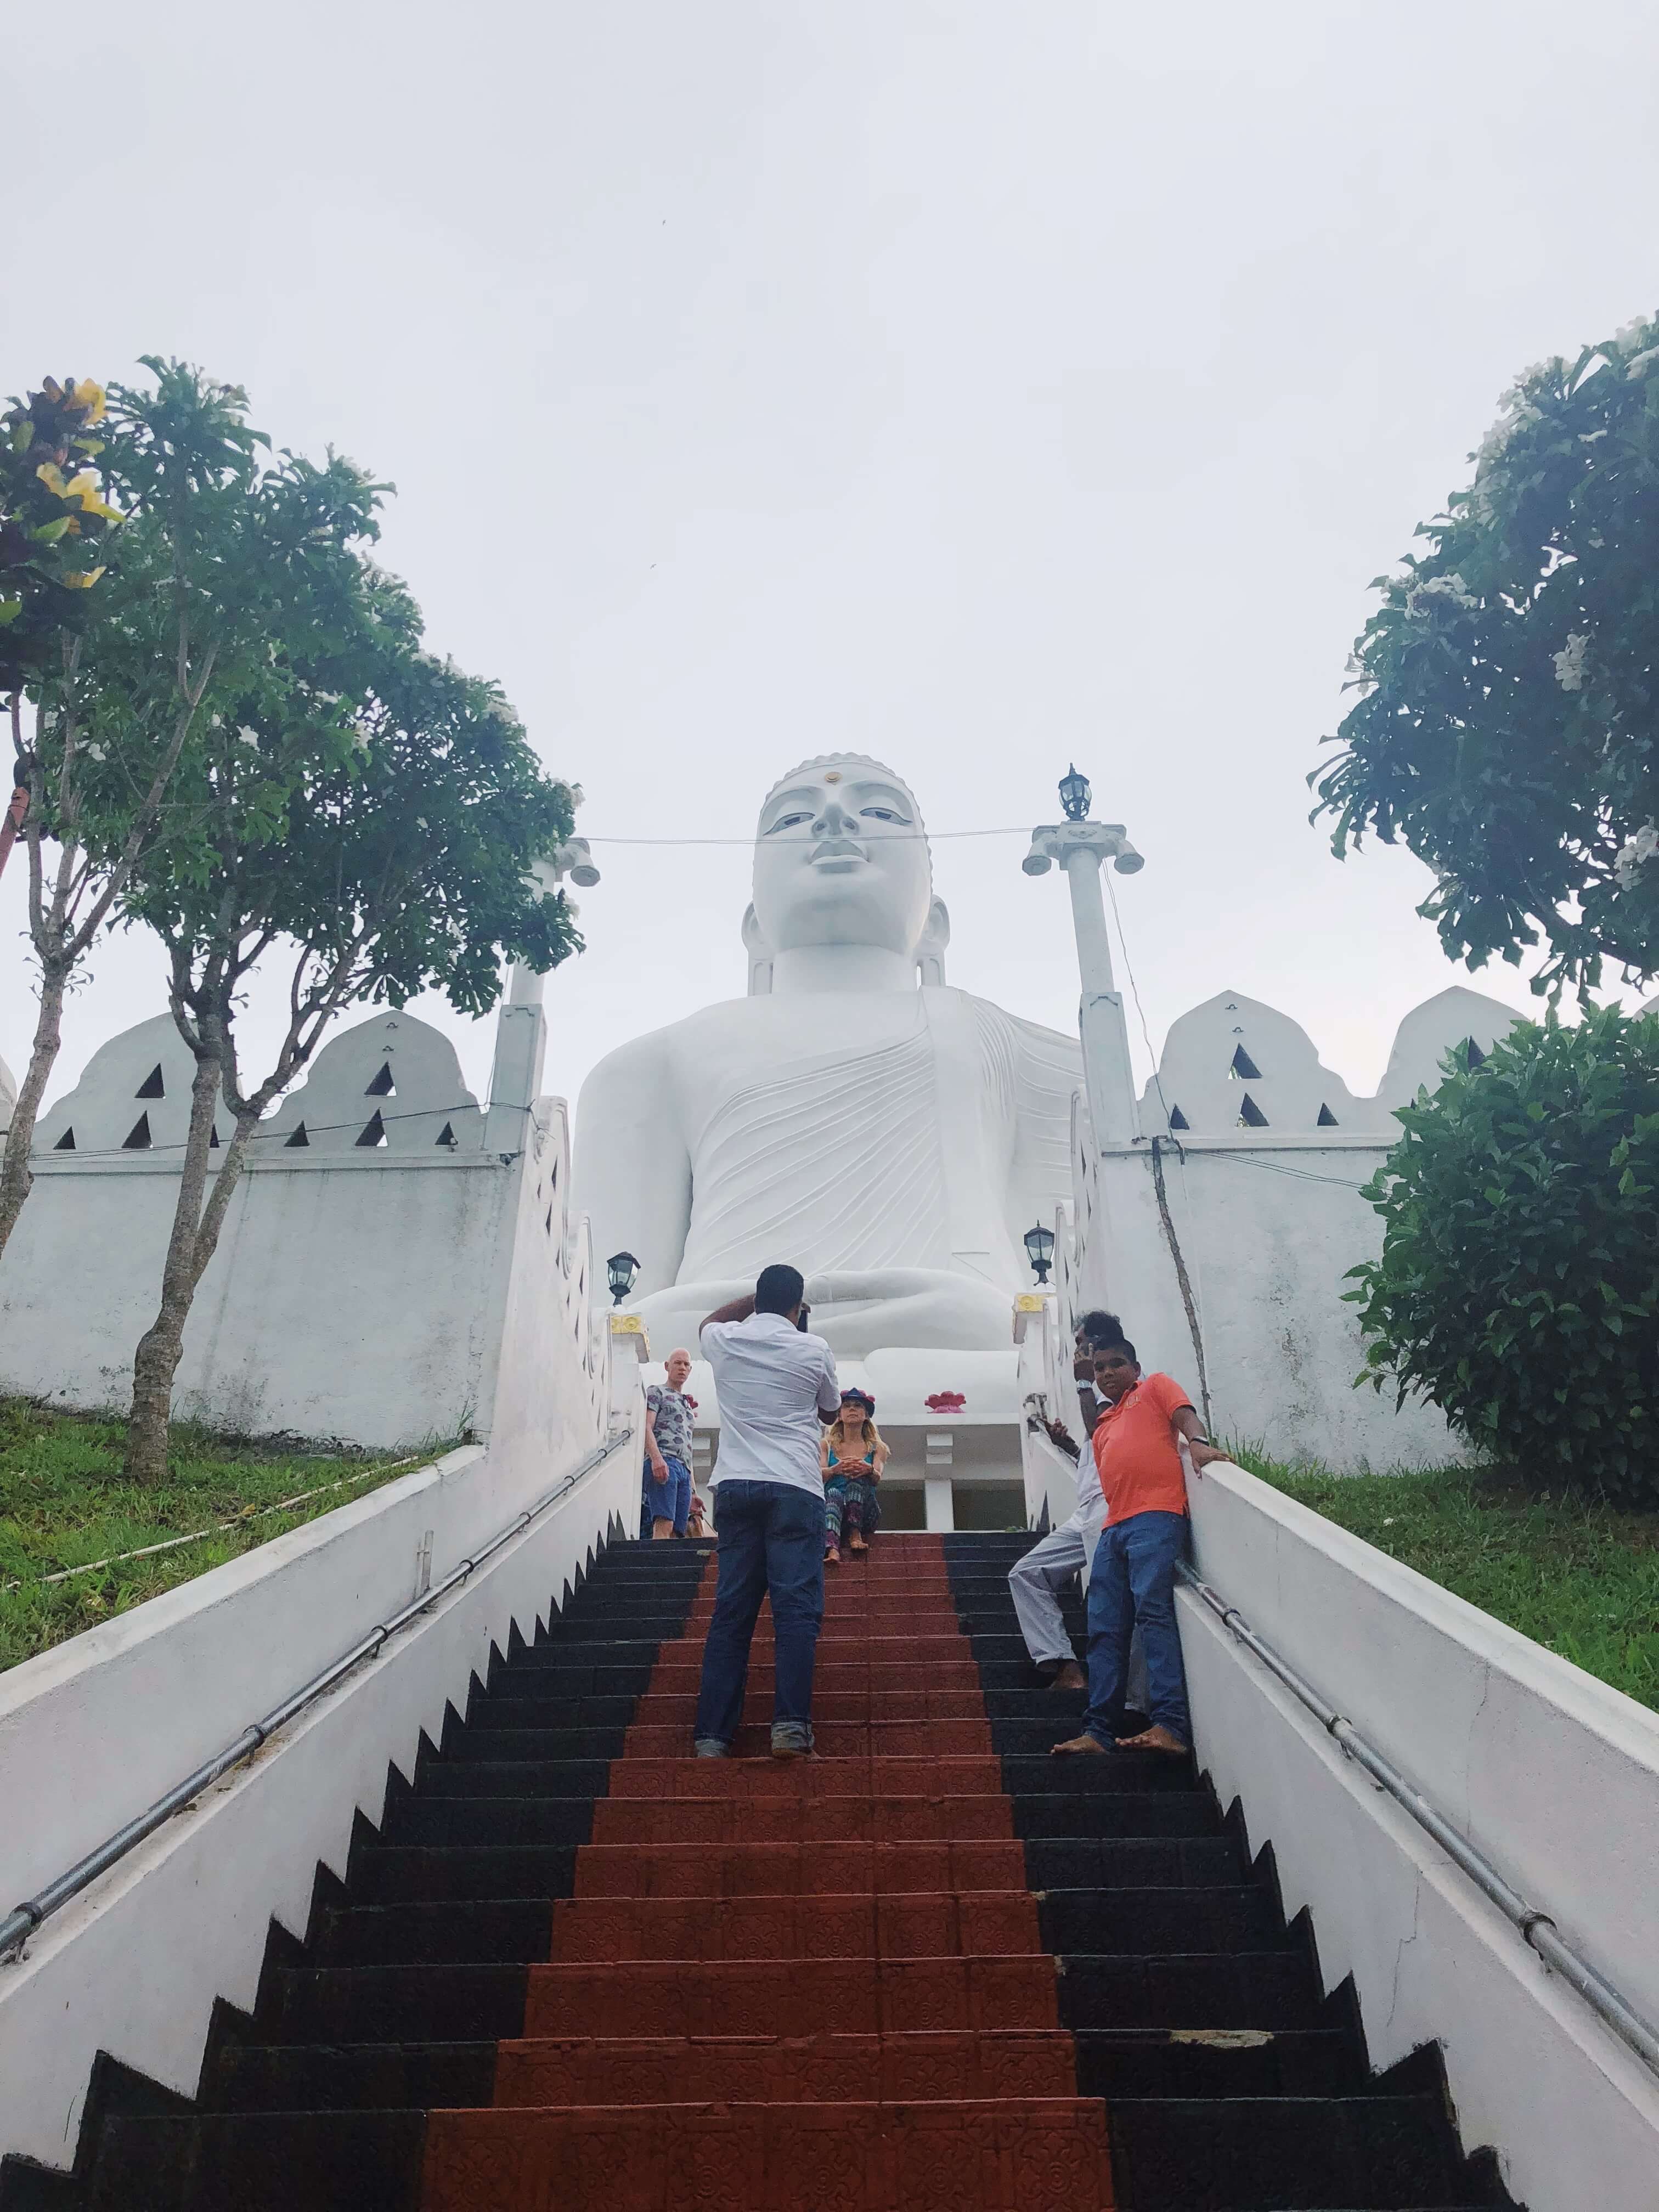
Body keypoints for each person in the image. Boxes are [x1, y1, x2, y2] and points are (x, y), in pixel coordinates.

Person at [1053, 1327, 1224, 1759]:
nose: (1108, 1373)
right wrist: (1080, 1382)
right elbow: (1092, 1423)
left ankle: (1170, 1725)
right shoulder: (1106, 1422)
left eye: (1116, 1365)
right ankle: (1097, 1731)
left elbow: (1184, 1415)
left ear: (1135, 1367)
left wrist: (1199, 1443)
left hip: (1156, 1517)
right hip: (1114, 1528)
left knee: (1153, 1614)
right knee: (1105, 1629)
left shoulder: (1154, 1388)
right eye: (1100, 1369)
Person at [693, 1263, 840, 1759]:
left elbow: (705, 1323)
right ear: (799, 1306)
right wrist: (797, 1331)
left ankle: (713, 1737)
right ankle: (790, 1729)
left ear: (757, 1298)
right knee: (795, 1612)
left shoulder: (725, 1340)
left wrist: (751, 1304)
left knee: (732, 1613)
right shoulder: (813, 1347)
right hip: (796, 1486)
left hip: (735, 1484)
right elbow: (828, 1412)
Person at [1008, 1310, 1122, 1689]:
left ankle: (1124, 1698)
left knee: (1110, 1601)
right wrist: (1068, 1446)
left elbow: (1101, 1430)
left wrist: (1085, 1383)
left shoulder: (1114, 1380)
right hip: (1087, 1505)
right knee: (1026, 1573)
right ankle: (1064, 1664)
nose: (1077, 1353)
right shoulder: (1096, 1384)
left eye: (1080, 1344)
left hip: (1112, 1505)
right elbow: (1097, 1449)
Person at [821, 1389, 888, 1564]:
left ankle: (855, 1534)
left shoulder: (876, 1447)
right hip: (833, 1511)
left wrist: (868, 1469)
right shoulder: (826, 1445)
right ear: (840, 1415)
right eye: (847, 1406)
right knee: (834, 1493)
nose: (852, 1409)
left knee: (856, 1483)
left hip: (866, 1513)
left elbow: (877, 1477)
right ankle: (832, 1549)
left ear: (866, 1415)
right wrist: (836, 1469)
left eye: (858, 1406)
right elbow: (818, 1475)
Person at [642, 1347, 697, 1539]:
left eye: (686, 1364)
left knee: (678, 1531)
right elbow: (646, 1426)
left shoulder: (687, 1405)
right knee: (665, 1521)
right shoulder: (657, 1392)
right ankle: (657, 1567)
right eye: (678, 1363)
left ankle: (669, 1568)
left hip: (684, 1468)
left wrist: (693, 1490)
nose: (682, 1368)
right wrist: (656, 1459)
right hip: (665, 1459)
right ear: (667, 1366)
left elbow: (688, 1445)